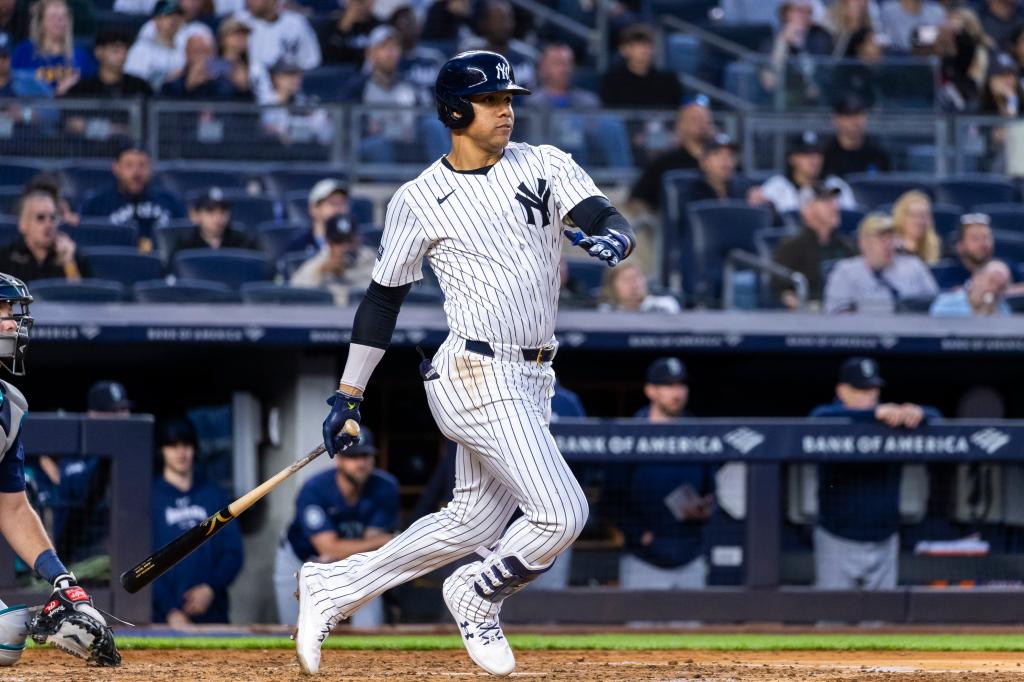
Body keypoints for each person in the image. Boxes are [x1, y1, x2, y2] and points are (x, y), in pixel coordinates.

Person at [295, 50, 635, 677]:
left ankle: (333, 587)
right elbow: (381, 301)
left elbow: (603, 217)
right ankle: (475, 593)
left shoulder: (545, 162)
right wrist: (349, 394)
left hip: (534, 376)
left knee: (470, 522)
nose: (507, 109)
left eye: (510, 99)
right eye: (492, 101)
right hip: (474, 373)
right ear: (455, 110)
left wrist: (613, 236)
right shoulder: (420, 198)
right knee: (562, 513)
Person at [0, 274, 120, 668]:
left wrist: (61, 580)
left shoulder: (10, 406)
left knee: (8, 635)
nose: (11, 323)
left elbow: (13, 508)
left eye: (10, 313)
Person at [811, 357, 939, 590]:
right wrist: (874, 414)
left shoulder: (891, 420)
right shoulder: (830, 417)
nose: (869, 396)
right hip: (837, 536)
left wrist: (918, 412)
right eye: (861, 390)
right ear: (842, 390)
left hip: (885, 538)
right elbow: (818, 417)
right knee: (833, 617)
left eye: (873, 389)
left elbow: (937, 417)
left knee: (882, 620)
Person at [274, 427, 397, 627]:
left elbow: (372, 547)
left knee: (369, 627)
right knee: (295, 629)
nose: (361, 463)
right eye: (353, 456)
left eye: (366, 455)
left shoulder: (385, 487)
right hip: (301, 558)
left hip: (355, 562)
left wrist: (347, 551)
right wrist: (385, 540)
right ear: (339, 459)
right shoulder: (314, 488)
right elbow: (327, 548)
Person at [619, 358, 714, 590]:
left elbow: (711, 489)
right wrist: (640, 534)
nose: (677, 392)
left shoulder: (698, 432)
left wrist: (705, 508)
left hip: (690, 553)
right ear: (650, 391)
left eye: (681, 385)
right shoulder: (629, 433)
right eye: (668, 386)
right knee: (640, 627)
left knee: (692, 626)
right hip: (645, 559)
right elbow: (611, 495)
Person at [151, 417, 243, 625]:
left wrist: (210, 588)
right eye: (173, 446)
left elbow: (233, 553)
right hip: (162, 619)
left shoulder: (214, 495)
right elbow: (140, 560)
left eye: (186, 445)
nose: (181, 453)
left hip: (213, 613)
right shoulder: (149, 498)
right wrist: (169, 610)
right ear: (162, 451)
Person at [35, 381, 132, 564]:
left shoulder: (136, 453)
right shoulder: (78, 456)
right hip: (83, 555)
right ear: (93, 415)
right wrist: (103, 463)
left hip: (124, 549)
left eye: (123, 410)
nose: (121, 417)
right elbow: (78, 490)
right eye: (113, 412)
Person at [339, 25, 433, 161]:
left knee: (432, 124)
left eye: (395, 47)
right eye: (384, 47)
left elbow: (424, 113)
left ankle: (445, 178)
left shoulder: (410, 85)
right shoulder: (357, 87)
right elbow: (344, 122)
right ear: (369, 53)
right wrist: (365, 129)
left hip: (406, 142)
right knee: (379, 145)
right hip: (372, 143)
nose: (391, 52)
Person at [824, 212, 939, 314]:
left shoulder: (914, 267)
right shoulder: (845, 272)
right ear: (863, 243)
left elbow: (936, 306)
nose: (888, 244)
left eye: (891, 237)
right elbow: (838, 317)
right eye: (881, 238)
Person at [80, 145, 186, 249]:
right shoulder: (96, 204)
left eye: (142, 165)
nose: (136, 172)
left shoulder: (171, 202)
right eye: (129, 165)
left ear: (151, 169)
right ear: (116, 168)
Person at [772, 184, 856, 309]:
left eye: (834, 201)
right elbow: (778, 291)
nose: (834, 206)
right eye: (826, 201)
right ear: (807, 210)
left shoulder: (847, 246)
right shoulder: (791, 247)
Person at [628, 95, 716, 214]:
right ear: (680, 125)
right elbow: (637, 200)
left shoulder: (724, 162)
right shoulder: (664, 164)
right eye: (695, 119)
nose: (702, 124)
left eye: (705, 119)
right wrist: (650, 224)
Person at [759, 132, 856, 216]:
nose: (814, 160)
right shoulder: (777, 186)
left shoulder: (835, 185)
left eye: (817, 154)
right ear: (792, 158)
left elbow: (851, 218)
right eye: (806, 154)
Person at [10, 0, 94, 96]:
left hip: (71, 109)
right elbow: (14, 86)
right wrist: (56, 93)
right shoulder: (24, 51)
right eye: (53, 17)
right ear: (41, 22)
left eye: (63, 17)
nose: (59, 21)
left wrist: (76, 86)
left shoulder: (80, 55)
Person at [0, 190, 85, 283]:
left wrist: (68, 262)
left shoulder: (72, 256)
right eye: (40, 217)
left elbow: (79, 295)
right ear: (23, 224)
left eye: (53, 217)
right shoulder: (5, 256)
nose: (48, 224)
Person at [290, 214, 375, 305]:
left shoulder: (371, 259)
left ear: (358, 239)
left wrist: (347, 276)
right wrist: (321, 272)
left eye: (349, 240)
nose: (345, 247)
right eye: (338, 241)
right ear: (328, 241)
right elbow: (296, 289)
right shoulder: (320, 263)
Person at [599, 23, 683, 109]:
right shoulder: (612, 81)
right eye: (638, 45)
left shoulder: (668, 81)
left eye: (648, 45)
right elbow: (610, 115)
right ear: (623, 50)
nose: (645, 49)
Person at [460, 0, 538, 89]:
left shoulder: (525, 56)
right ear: (485, 23)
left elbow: (532, 92)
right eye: (499, 20)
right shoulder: (470, 53)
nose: (505, 25)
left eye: (509, 19)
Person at [259, 58, 332, 146]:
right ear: (276, 78)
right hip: (272, 154)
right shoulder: (264, 102)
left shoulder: (306, 102)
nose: (296, 78)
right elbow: (268, 131)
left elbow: (323, 132)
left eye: (297, 74)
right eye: (290, 74)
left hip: (306, 153)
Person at [235, 0, 321, 74]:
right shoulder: (239, 21)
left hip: (286, 81)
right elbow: (229, 57)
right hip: (248, 84)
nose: (248, 2)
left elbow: (310, 61)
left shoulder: (295, 23)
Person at [65, 28, 153, 98]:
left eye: (125, 51)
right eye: (115, 51)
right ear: (98, 52)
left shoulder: (141, 87)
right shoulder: (82, 89)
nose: (122, 56)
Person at [171, 187, 259, 256]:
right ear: (195, 215)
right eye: (210, 210)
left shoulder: (242, 244)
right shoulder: (185, 246)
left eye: (223, 211)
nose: (218, 217)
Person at [822, 94, 891, 178]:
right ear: (836, 120)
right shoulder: (826, 155)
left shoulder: (878, 154)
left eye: (858, 115)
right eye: (848, 116)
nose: (854, 122)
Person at [124, 0, 186, 90]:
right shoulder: (141, 49)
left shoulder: (186, 49)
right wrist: (165, 80)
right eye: (167, 15)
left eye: (177, 16)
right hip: (149, 101)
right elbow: (133, 84)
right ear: (156, 20)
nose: (173, 20)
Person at [160, 31, 240, 99]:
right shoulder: (173, 82)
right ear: (187, 53)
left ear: (213, 53)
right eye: (196, 51)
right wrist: (187, 87)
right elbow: (161, 109)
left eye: (205, 52)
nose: (201, 57)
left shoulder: (224, 82)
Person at [288, 178, 351, 256]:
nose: (339, 209)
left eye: (343, 203)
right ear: (314, 209)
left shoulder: (355, 244)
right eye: (333, 203)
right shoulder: (299, 247)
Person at [930, 259, 1012, 316]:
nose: (994, 289)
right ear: (976, 278)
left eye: (1001, 287)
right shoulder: (947, 304)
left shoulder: (1003, 309)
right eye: (991, 281)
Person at [391, 5, 444, 90]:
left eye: (410, 23)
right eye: (402, 25)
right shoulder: (391, 60)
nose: (407, 29)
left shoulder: (433, 57)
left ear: (418, 27)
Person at [598, 261, 680, 313]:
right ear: (612, 286)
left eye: (638, 278)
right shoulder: (606, 312)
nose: (634, 285)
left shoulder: (664, 306)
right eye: (627, 280)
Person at [318, 0, 380, 65]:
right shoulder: (332, 25)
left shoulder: (380, 26)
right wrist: (342, 29)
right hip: (340, 71)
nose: (360, 5)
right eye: (356, 1)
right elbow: (327, 56)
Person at [891, 190, 941, 266]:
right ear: (901, 217)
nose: (919, 221)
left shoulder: (937, 247)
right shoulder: (891, 249)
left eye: (924, 216)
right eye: (913, 215)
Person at [946, 213, 996, 286]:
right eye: (975, 239)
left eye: (986, 238)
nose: (982, 244)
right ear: (960, 246)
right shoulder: (947, 278)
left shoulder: (1006, 271)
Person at [878, 0, 945, 52]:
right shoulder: (888, 11)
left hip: (929, 63)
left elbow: (942, 44)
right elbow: (882, 40)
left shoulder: (937, 12)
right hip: (896, 63)